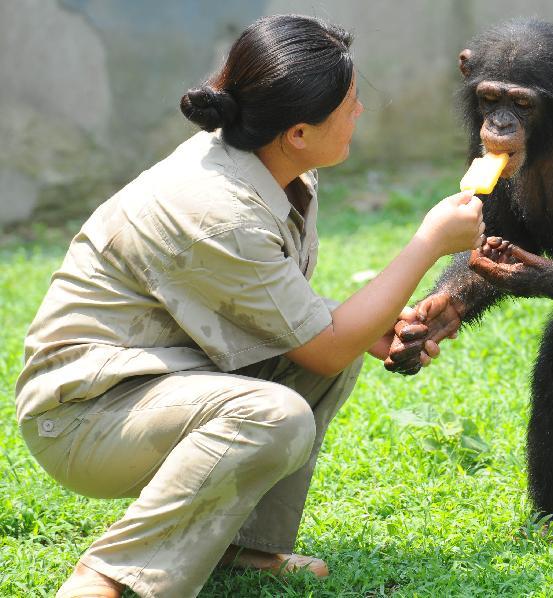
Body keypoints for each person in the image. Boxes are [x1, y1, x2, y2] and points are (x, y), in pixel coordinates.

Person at [14, 14, 483, 598]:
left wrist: (367, 328)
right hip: (85, 415)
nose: (360, 112)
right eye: (350, 103)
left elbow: (293, 319)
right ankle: (110, 577)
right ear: (299, 133)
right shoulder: (219, 209)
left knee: (335, 353)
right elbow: (322, 346)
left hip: (161, 377)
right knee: (275, 412)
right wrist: (429, 242)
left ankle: (239, 548)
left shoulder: (274, 168)